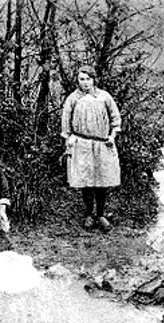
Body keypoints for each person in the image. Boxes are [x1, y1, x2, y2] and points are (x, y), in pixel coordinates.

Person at [60, 65, 122, 233]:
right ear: (77, 81)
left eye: (88, 79)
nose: (85, 83)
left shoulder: (104, 97)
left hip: (102, 144)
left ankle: (101, 214)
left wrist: (112, 135)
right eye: (82, 79)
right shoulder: (73, 98)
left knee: (102, 181)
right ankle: (89, 214)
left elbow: (116, 119)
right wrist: (69, 138)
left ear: (94, 80)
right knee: (86, 180)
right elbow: (66, 123)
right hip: (82, 144)